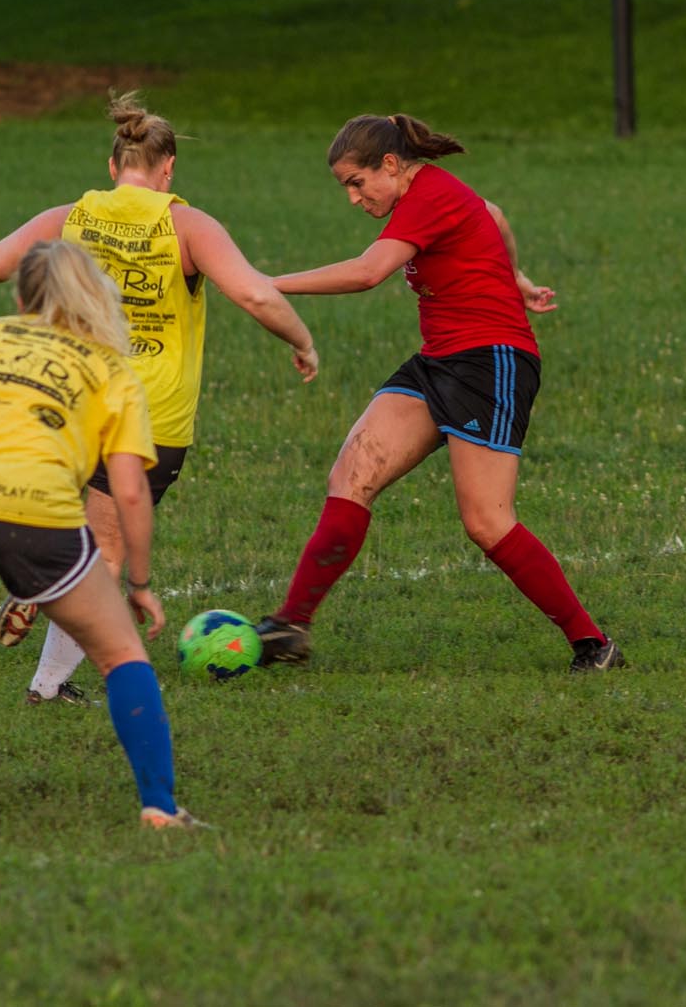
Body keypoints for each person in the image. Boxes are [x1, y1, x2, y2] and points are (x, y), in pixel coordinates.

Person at [0, 91, 318, 705]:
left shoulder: (72, 216)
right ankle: (48, 683)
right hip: (149, 413)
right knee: (104, 551)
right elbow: (257, 295)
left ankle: (30, 584)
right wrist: (302, 341)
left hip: (66, 403)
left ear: (112, 167)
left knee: (53, 509)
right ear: (168, 170)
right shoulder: (188, 226)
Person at [252, 114, 622, 673]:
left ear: (391, 165)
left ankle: (593, 644)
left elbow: (368, 272)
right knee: (352, 476)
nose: (353, 198)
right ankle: (291, 625)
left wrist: (266, 284)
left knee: (487, 522)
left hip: (492, 362)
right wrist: (516, 277)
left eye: (357, 183)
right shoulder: (427, 194)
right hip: (440, 360)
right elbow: (492, 214)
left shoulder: (429, 194)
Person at [0, 239, 199, 828]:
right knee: (121, 653)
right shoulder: (111, 368)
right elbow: (129, 491)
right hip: (37, 512)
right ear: (93, 297)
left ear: (21, 297)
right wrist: (140, 582)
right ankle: (159, 807)